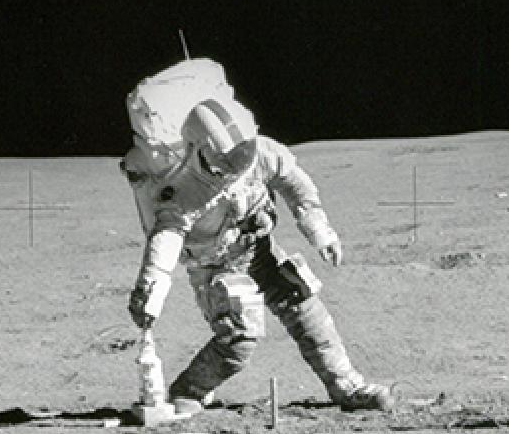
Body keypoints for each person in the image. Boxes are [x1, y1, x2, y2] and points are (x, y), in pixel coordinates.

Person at [121, 92, 393, 414]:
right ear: (200, 149)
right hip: (216, 266)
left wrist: (319, 230)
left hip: (258, 248)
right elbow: (165, 241)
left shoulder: (261, 152)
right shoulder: (182, 192)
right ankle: (189, 390)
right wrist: (150, 293)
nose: (239, 161)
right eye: (229, 157)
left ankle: (347, 385)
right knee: (240, 336)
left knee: (303, 302)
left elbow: (295, 184)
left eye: (244, 151)